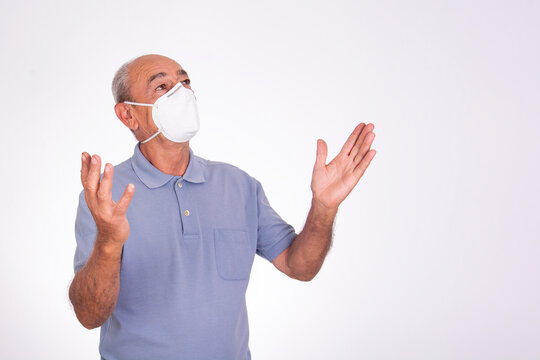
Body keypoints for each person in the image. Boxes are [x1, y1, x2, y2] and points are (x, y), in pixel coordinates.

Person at [68, 54, 376, 360]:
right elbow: (89, 315)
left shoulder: (238, 185)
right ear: (128, 115)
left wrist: (323, 207)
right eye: (162, 86)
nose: (182, 92)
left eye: (185, 81)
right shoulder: (105, 197)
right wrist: (109, 240)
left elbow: (300, 266)